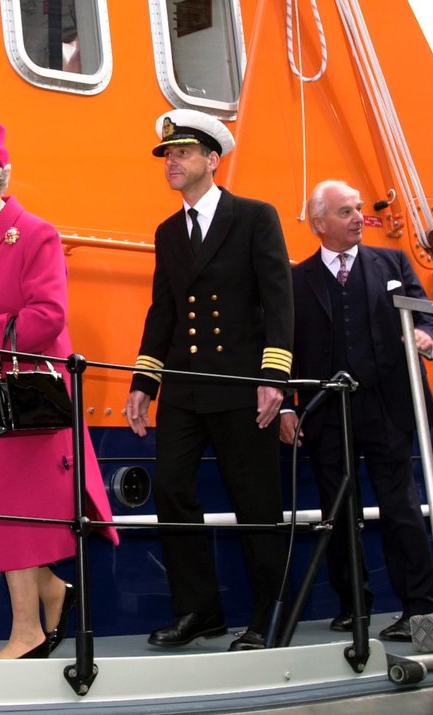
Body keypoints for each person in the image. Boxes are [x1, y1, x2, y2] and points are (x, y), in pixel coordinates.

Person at [0, 117, 118, 659]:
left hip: (29, 394)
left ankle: (28, 630)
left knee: (16, 511)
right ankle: (52, 592)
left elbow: (47, 318)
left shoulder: (36, 234)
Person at [124, 108, 292, 652]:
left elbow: (278, 300)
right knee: (172, 488)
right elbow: (164, 310)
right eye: (167, 155)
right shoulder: (169, 231)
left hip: (242, 386)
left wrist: (274, 377)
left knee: (255, 500)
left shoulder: (254, 217)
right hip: (187, 388)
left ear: (211, 160)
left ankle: (269, 615)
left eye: (182, 153)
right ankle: (199, 609)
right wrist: (144, 382)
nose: (171, 162)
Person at [281, 179, 433, 642]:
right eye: (347, 212)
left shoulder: (392, 263)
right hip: (328, 414)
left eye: (358, 210)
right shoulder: (296, 280)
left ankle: (421, 609)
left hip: (388, 407)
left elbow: (425, 313)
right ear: (320, 224)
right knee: (338, 513)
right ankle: (354, 608)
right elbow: (285, 346)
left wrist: (427, 335)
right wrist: (290, 405)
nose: (358, 219)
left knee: (401, 508)